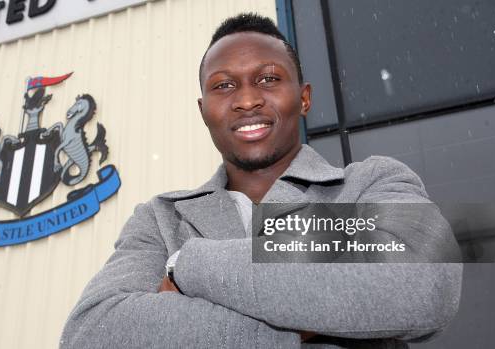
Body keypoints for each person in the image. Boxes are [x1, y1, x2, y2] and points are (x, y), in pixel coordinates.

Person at [60, 13, 462, 348]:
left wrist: (189, 265)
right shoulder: (161, 220)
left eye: (268, 79)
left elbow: (421, 285)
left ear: (303, 98)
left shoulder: (369, 185)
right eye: (224, 85)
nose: (247, 99)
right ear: (204, 110)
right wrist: (308, 321)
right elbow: (92, 333)